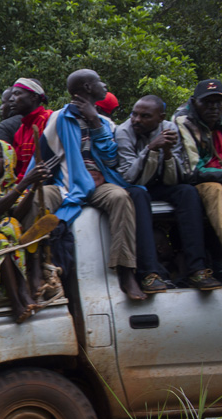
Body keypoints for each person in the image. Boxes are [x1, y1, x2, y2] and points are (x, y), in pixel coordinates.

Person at [31, 69, 163, 300]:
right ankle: (36, 271)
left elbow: (112, 159)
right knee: (38, 199)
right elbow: (45, 155)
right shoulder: (60, 118)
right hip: (68, 184)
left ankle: (126, 272)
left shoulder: (104, 122)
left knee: (121, 197)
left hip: (101, 184)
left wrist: (94, 123)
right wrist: (40, 180)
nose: (104, 85)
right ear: (88, 88)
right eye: (99, 82)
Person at [116, 95, 222, 289]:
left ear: (160, 117)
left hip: (160, 183)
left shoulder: (169, 128)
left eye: (145, 116)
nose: (136, 120)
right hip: (136, 184)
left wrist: (166, 153)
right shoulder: (124, 131)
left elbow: (174, 178)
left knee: (187, 192)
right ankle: (149, 273)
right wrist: (151, 149)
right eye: (134, 114)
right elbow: (130, 177)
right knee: (139, 195)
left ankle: (197, 270)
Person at [0, 140, 54, 315]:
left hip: (1, 227)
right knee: (2, 239)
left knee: (12, 225)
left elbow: (16, 214)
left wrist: (33, 187)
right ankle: (17, 299)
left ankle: (24, 287)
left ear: (8, 161)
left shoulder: (11, 184)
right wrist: (26, 182)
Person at [173, 79, 222, 244]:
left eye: (217, 103)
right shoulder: (183, 121)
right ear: (195, 102)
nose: (213, 108)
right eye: (207, 102)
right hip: (200, 181)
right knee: (216, 191)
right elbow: (191, 172)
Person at [8, 78, 53, 180]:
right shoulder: (21, 130)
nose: (11, 99)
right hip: (25, 185)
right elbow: (18, 167)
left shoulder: (48, 119)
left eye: (17, 93)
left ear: (34, 97)